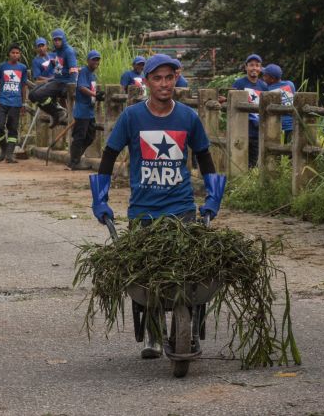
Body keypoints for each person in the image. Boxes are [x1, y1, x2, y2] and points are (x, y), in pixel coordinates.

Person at [89, 53, 227, 358]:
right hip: (144, 212)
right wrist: (100, 199)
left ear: (176, 79)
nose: (164, 84)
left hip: (182, 210)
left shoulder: (188, 118)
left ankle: (189, 326)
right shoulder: (132, 117)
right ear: (147, 82)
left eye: (169, 78)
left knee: (190, 271)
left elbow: (205, 158)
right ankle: (153, 332)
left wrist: (213, 197)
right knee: (147, 274)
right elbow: (109, 156)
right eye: (157, 78)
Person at [29, 28, 78, 127]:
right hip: (56, 80)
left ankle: (58, 111)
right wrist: (53, 64)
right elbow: (55, 69)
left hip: (65, 83)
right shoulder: (57, 52)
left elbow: (74, 70)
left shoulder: (68, 51)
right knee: (32, 95)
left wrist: (71, 87)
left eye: (59, 39)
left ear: (63, 39)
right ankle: (56, 113)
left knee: (39, 94)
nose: (57, 42)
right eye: (55, 40)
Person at [0, 43, 28, 163]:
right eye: (13, 52)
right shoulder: (2, 67)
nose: (15, 55)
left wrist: (23, 103)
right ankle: (3, 147)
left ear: (20, 55)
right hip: (2, 101)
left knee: (13, 128)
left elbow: (23, 86)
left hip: (16, 103)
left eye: (17, 53)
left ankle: (10, 154)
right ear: (9, 54)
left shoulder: (22, 68)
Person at [69, 50, 105, 170]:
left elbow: (90, 89)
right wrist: (95, 95)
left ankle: (75, 158)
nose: (96, 62)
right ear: (88, 60)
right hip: (82, 110)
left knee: (90, 136)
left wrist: (97, 94)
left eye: (97, 59)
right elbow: (81, 87)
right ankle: (74, 162)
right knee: (80, 136)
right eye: (93, 59)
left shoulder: (92, 74)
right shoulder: (84, 71)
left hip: (89, 111)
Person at [231, 54, 268, 168]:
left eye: (257, 65)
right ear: (246, 67)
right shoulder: (239, 83)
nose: (254, 68)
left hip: (257, 130)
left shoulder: (263, 86)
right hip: (242, 128)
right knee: (239, 159)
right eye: (251, 65)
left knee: (255, 160)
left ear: (260, 68)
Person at [261, 64, 296, 142]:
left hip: (279, 126)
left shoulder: (268, 90)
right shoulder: (290, 84)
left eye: (265, 76)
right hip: (293, 125)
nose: (263, 78)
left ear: (272, 79)